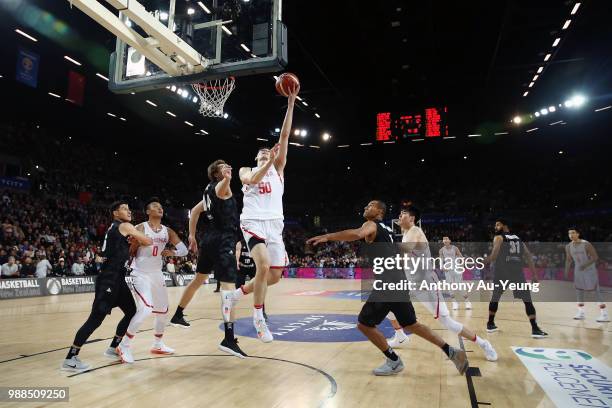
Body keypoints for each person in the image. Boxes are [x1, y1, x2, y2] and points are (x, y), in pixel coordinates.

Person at [307, 201, 468, 376]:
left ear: (379, 212)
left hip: (387, 285)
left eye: (370, 205)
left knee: (364, 324)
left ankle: (394, 360)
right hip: (399, 282)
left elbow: (358, 233)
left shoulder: (371, 224)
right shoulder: (389, 231)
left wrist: (329, 236)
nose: (365, 207)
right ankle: (451, 351)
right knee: (412, 325)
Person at [231, 83, 299, 343]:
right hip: (252, 223)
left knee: (275, 276)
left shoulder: (278, 169)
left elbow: (284, 136)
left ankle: (237, 294)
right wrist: (268, 160)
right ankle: (259, 320)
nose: (264, 152)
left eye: (266, 151)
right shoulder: (245, 170)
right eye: (260, 152)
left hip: (275, 225)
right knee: (262, 266)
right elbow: (251, 180)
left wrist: (291, 103)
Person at [386, 208, 497, 362]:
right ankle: (400, 336)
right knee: (387, 303)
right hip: (411, 283)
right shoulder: (405, 234)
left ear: (412, 218)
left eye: (403, 213)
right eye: (399, 213)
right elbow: (406, 259)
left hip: (426, 285)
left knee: (447, 322)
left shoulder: (415, 230)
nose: (399, 215)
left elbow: (406, 248)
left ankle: (483, 344)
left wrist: (386, 239)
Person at [61, 201, 153, 372]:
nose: (129, 211)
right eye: (124, 209)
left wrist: (133, 240)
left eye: (129, 208)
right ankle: (70, 358)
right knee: (95, 319)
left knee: (132, 312)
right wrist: (141, 235)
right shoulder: (124, 225)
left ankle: (113, 348)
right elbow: (147, 241)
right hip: (108, 280)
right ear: (115, 213)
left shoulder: (118, 229)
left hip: (119, 280)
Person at [170, 160, 246, 358]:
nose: (229, 167)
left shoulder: (208, 190)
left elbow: (194, 212)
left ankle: (178, 314)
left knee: (198, 280)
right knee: (229, 288)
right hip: (224, 242)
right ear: (216, 174)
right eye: (224, 167)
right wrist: (227, 178)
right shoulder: (222, 187)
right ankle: (229, 339)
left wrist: (192, 235)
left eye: (230, 165)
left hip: (208, 239)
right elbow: (222, 187)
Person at [113, 198, 188, 363]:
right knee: (146, 309)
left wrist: (172, 253)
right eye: (155, 206)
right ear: (148, 212)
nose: (159, 208)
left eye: (161, 206)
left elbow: (184, 250)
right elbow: (128, 249)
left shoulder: (167, 231)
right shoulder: (140, 227)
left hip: (156, 274)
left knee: (162, 311)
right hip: (139, 273)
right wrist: (134, 247)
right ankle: (124, 346)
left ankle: (158, 344)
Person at [484, 219, 548, 338]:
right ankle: (535, 329)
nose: (495, 227)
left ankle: (490, 323)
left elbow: (493, 257)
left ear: (505, 226)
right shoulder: (518, 238)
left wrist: (480, 261)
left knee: (495, 297)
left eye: (498, 224)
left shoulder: (498, 238)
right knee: (527, 300)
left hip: (502, 272)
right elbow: (528, 256)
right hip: (517, 273)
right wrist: (534, 275)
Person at [565, 228, 608, 322]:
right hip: (578, 271)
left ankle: (604, 314)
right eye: (569, 233)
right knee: (579, 292)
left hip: (589, 271)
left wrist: (585, 265)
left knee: (595, 292)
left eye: (573, 233)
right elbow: (568, 260)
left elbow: (595, 257)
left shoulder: (586, 244)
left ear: (578, 234)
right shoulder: (568, 246)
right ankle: (581, 313)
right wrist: (566, 271)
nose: (571, 235)